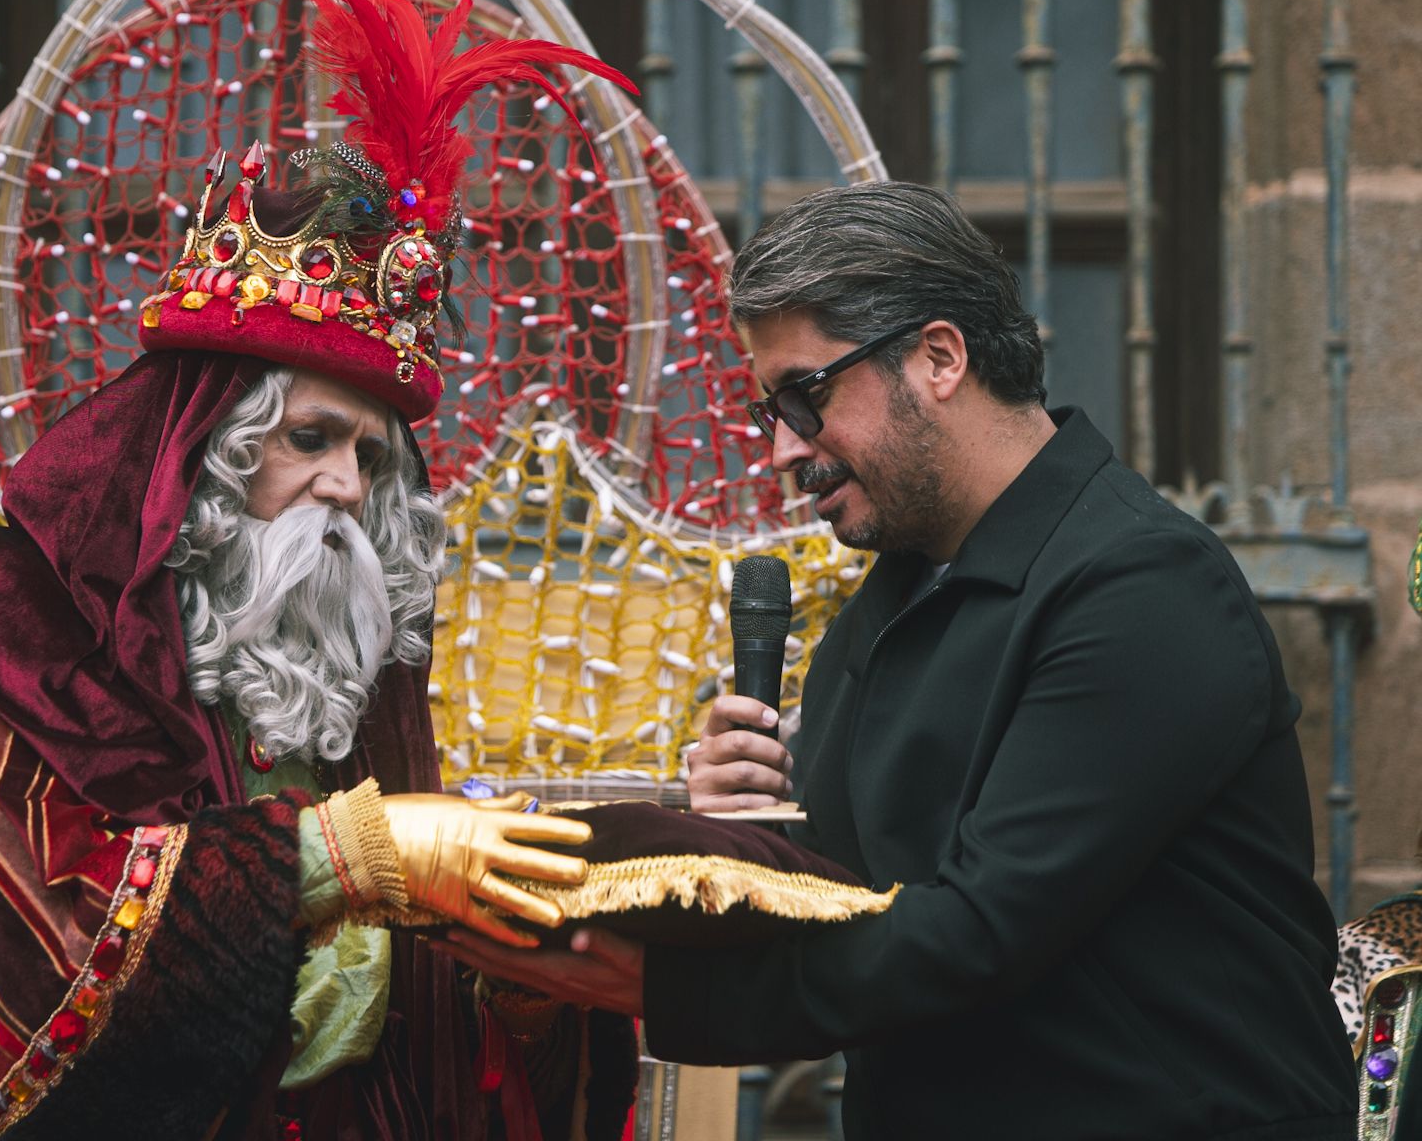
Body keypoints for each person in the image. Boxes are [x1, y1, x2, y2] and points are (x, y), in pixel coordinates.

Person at [0, 0, 640, 1138]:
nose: (345, 489)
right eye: (314, 440)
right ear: (205, 457)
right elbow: (23, 1002)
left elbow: (411, 1055)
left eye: (373, 463)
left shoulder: (353, 681)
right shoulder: (3, 639)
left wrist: (525, 1001)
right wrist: (341, 855)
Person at [440, 181, 1359, 1139]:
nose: (785, 454)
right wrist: (733, 845)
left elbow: (977, 931)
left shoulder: (1143, 586)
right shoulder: (881, 615)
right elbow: (845, 904)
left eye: (807, 398)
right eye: (770, 416)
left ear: (938, 357)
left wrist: (670, 984)